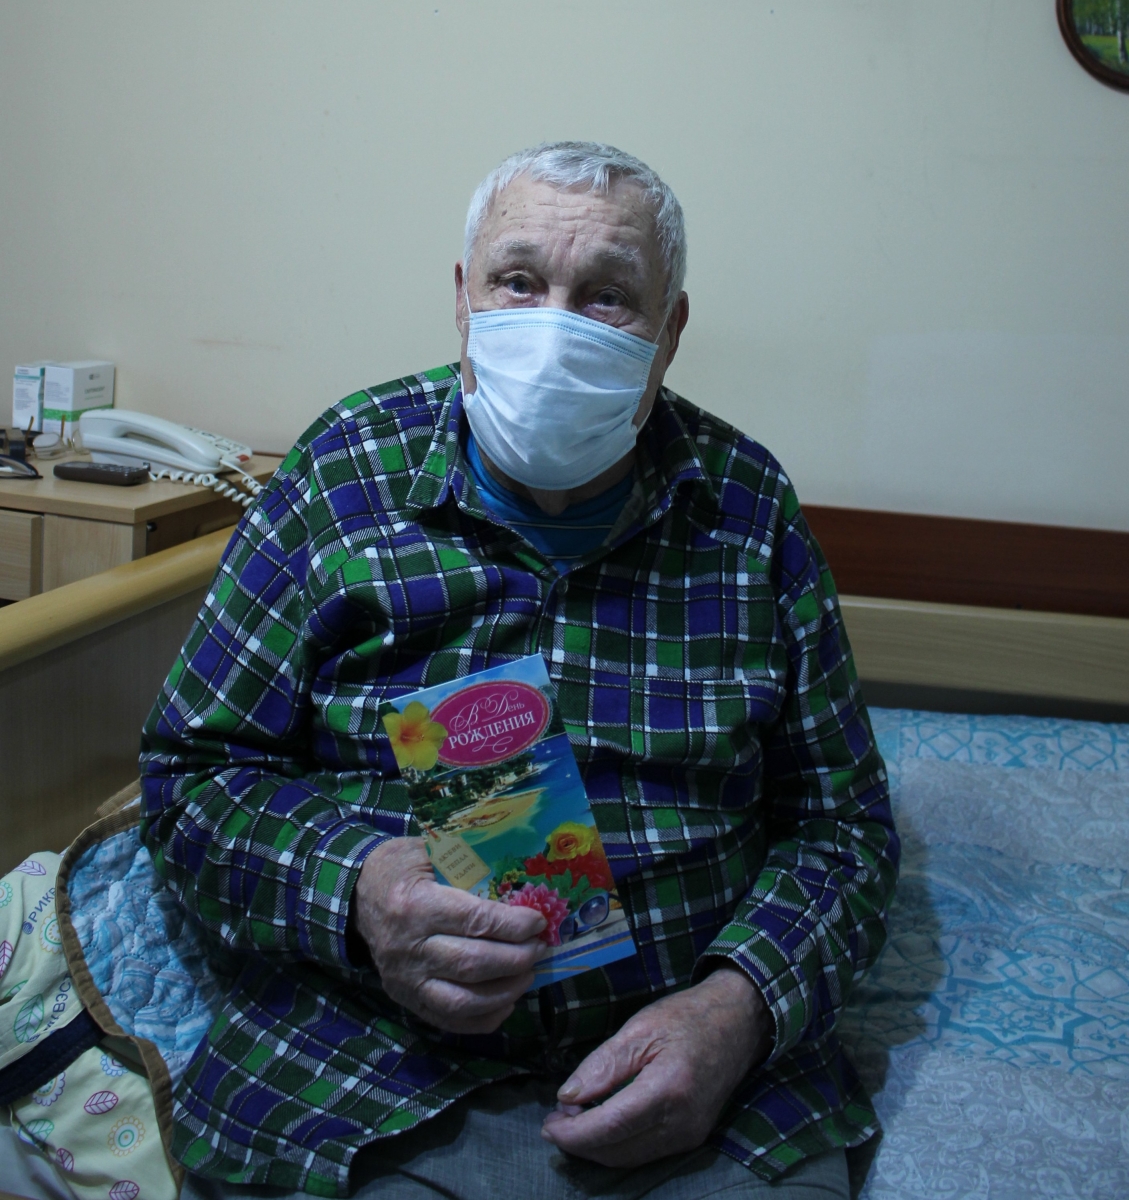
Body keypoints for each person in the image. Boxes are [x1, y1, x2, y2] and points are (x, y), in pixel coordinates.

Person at [140, 141, 899, 1200]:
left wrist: (735, 1010)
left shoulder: (746, 509)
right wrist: (358, 889)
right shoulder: (340, 475)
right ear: (462, 298)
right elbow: (190, 774)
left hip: (698, 1087)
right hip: (367, 1070)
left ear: (670, 329)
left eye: (607, 296)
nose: (553, 327)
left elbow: (843, 828)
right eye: (518, 281)